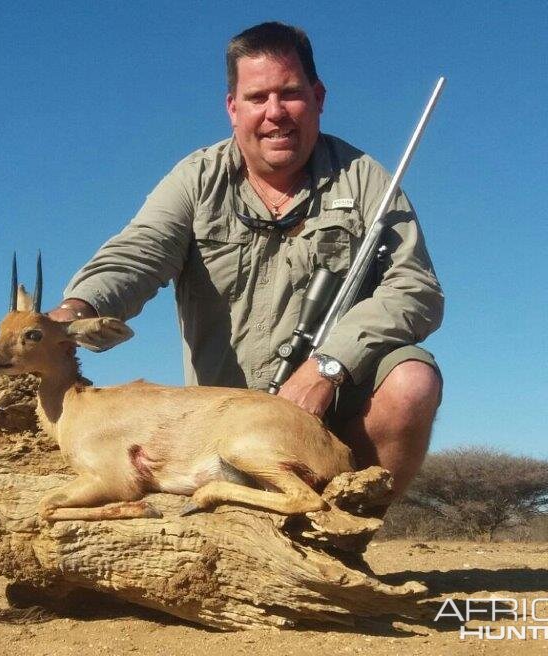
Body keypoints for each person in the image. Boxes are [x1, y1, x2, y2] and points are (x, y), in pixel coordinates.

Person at [47, 21, 443, 499]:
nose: (275, 113)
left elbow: (415, 290)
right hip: (219, 423)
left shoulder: (364, 179)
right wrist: (72, 314)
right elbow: (139, 252)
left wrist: (328, 367)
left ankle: (348, 533)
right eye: (258, 98)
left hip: (330, 403)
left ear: (318, 97)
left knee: (411, 382)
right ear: (233, 108)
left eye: (291, 93)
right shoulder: (197, 178)